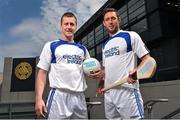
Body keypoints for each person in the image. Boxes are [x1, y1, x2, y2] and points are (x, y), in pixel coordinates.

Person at [90, 8, 153, 119]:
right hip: (109, 93)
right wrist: (101, 83)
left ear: (119, 20)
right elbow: (105, 69)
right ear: (104, 23)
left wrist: (136, 72)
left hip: (127, 91)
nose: (110, 21)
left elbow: (147, 59)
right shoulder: (105, 45)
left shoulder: (130, 36)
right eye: (107, 19)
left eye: (113, 18)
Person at [35, 12, 90, 119]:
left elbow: (88, 71)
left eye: (72, 24)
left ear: (76, 27)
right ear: (61, 26)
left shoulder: (82, 49)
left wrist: (95, 74)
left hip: (79, 97)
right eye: (66, 24)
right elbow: (42, 74)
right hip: (59, 96)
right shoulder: (51, 46)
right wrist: (38, 99)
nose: (69, 27)